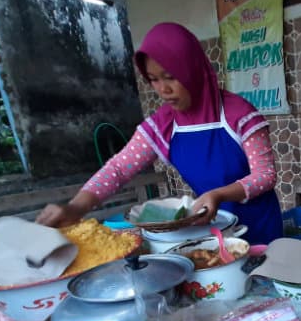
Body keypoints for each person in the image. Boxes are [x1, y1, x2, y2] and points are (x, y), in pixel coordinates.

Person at [36, 22, 283, 245]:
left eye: (171, 77)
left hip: (260, 228)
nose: (163, 89)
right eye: (153, 79)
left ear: (192, 70)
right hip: (211, 231)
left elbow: (265, 174)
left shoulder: (238, 113)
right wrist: (77, 207)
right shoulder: (163, 125)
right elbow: (119, 169)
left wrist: (219, 194)